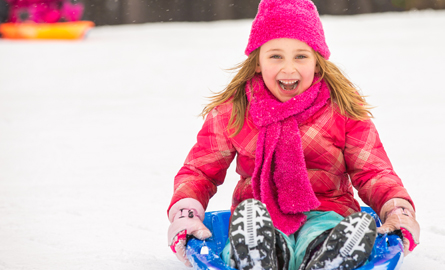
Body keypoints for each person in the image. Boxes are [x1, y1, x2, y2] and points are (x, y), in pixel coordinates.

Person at [167, 0, 420, 269]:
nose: (289, 69)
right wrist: (187, 213)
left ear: (317, 64)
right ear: (257, 63)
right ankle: (257, 253)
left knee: (323, 231)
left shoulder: (342, 108)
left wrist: (397, 211)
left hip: (328, 210)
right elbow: (200, 171)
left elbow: (373, 171)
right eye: (276, 56)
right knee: (258, 230)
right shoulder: (234, 109)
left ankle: (331, 252)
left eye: (301, 56)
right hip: (260, 216)